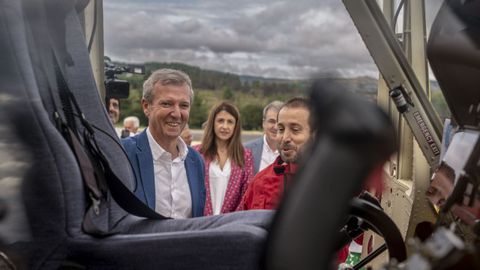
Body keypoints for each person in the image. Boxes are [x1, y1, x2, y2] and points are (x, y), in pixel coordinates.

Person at [122, 68, 205, 218]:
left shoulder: (196, 161)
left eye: (184, 105)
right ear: (146, 106)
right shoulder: (123, 153)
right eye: (167, 104)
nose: (176, 113)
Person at [239, 97, 314, 210]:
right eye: (281, 129)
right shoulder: (260, 182)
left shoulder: (334, 181)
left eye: (295, 129)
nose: (285, 138)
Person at [194, 101, 254, 215]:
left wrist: (231, 221)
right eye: (220, 121)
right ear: (213, 123)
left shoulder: (245, 156)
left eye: (230, 122)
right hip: (200, 222)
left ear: (236, 126)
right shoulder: (196, 153)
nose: (225, 126)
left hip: (229, 224)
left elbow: (246, 193)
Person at [244, 100, 284, 174]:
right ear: (263, 123)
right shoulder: (246, 150)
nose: (275, 127)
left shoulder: (293, 154)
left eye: (279, 122)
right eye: (272, 121)